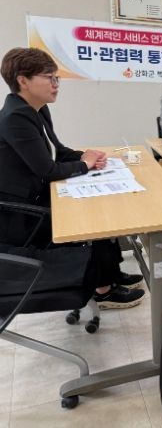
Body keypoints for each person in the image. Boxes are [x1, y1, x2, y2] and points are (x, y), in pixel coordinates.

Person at [0, 47, 144, 308]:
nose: (56, 84)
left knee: (100, 203)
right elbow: (47, 170)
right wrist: (84, 165)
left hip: (40, 196)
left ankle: (110, 273)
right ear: (23, 81)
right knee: (92, 213)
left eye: (57, 78)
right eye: (49, 78)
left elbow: (58, 151)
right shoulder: (15, 117)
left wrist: (87, 156)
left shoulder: (37, 109)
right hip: (24, 215)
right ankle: (103, 289)